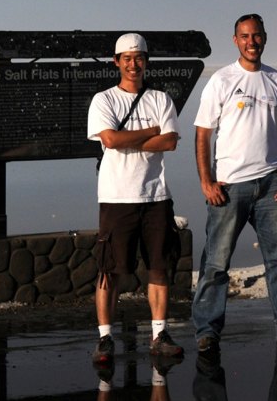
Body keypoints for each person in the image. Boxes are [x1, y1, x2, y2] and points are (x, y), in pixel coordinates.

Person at [191, 14, 277, 354]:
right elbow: (203, 133)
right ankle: (207, 330)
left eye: (256, 35)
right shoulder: (222, 80)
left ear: (265, 38)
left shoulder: (276, 80)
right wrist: (206, 180)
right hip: (230, 187)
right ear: (235, 40)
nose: (251, 41)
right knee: (216, 262)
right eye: (244, 36)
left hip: (272, 185)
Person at [86, 33, 184, 364]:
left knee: (159, 266)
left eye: (138, 57)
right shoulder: (104, 100)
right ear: (116, 62)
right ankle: (104, 338)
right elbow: (110, 140)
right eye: (126, 58)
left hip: (156, 195)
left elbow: (170, 142)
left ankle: (159, 334)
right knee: (110, 270)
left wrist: (127, 140)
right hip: (117, 196)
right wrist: (148, 132)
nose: (133, 64)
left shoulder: (161, 99)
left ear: (146, 60)